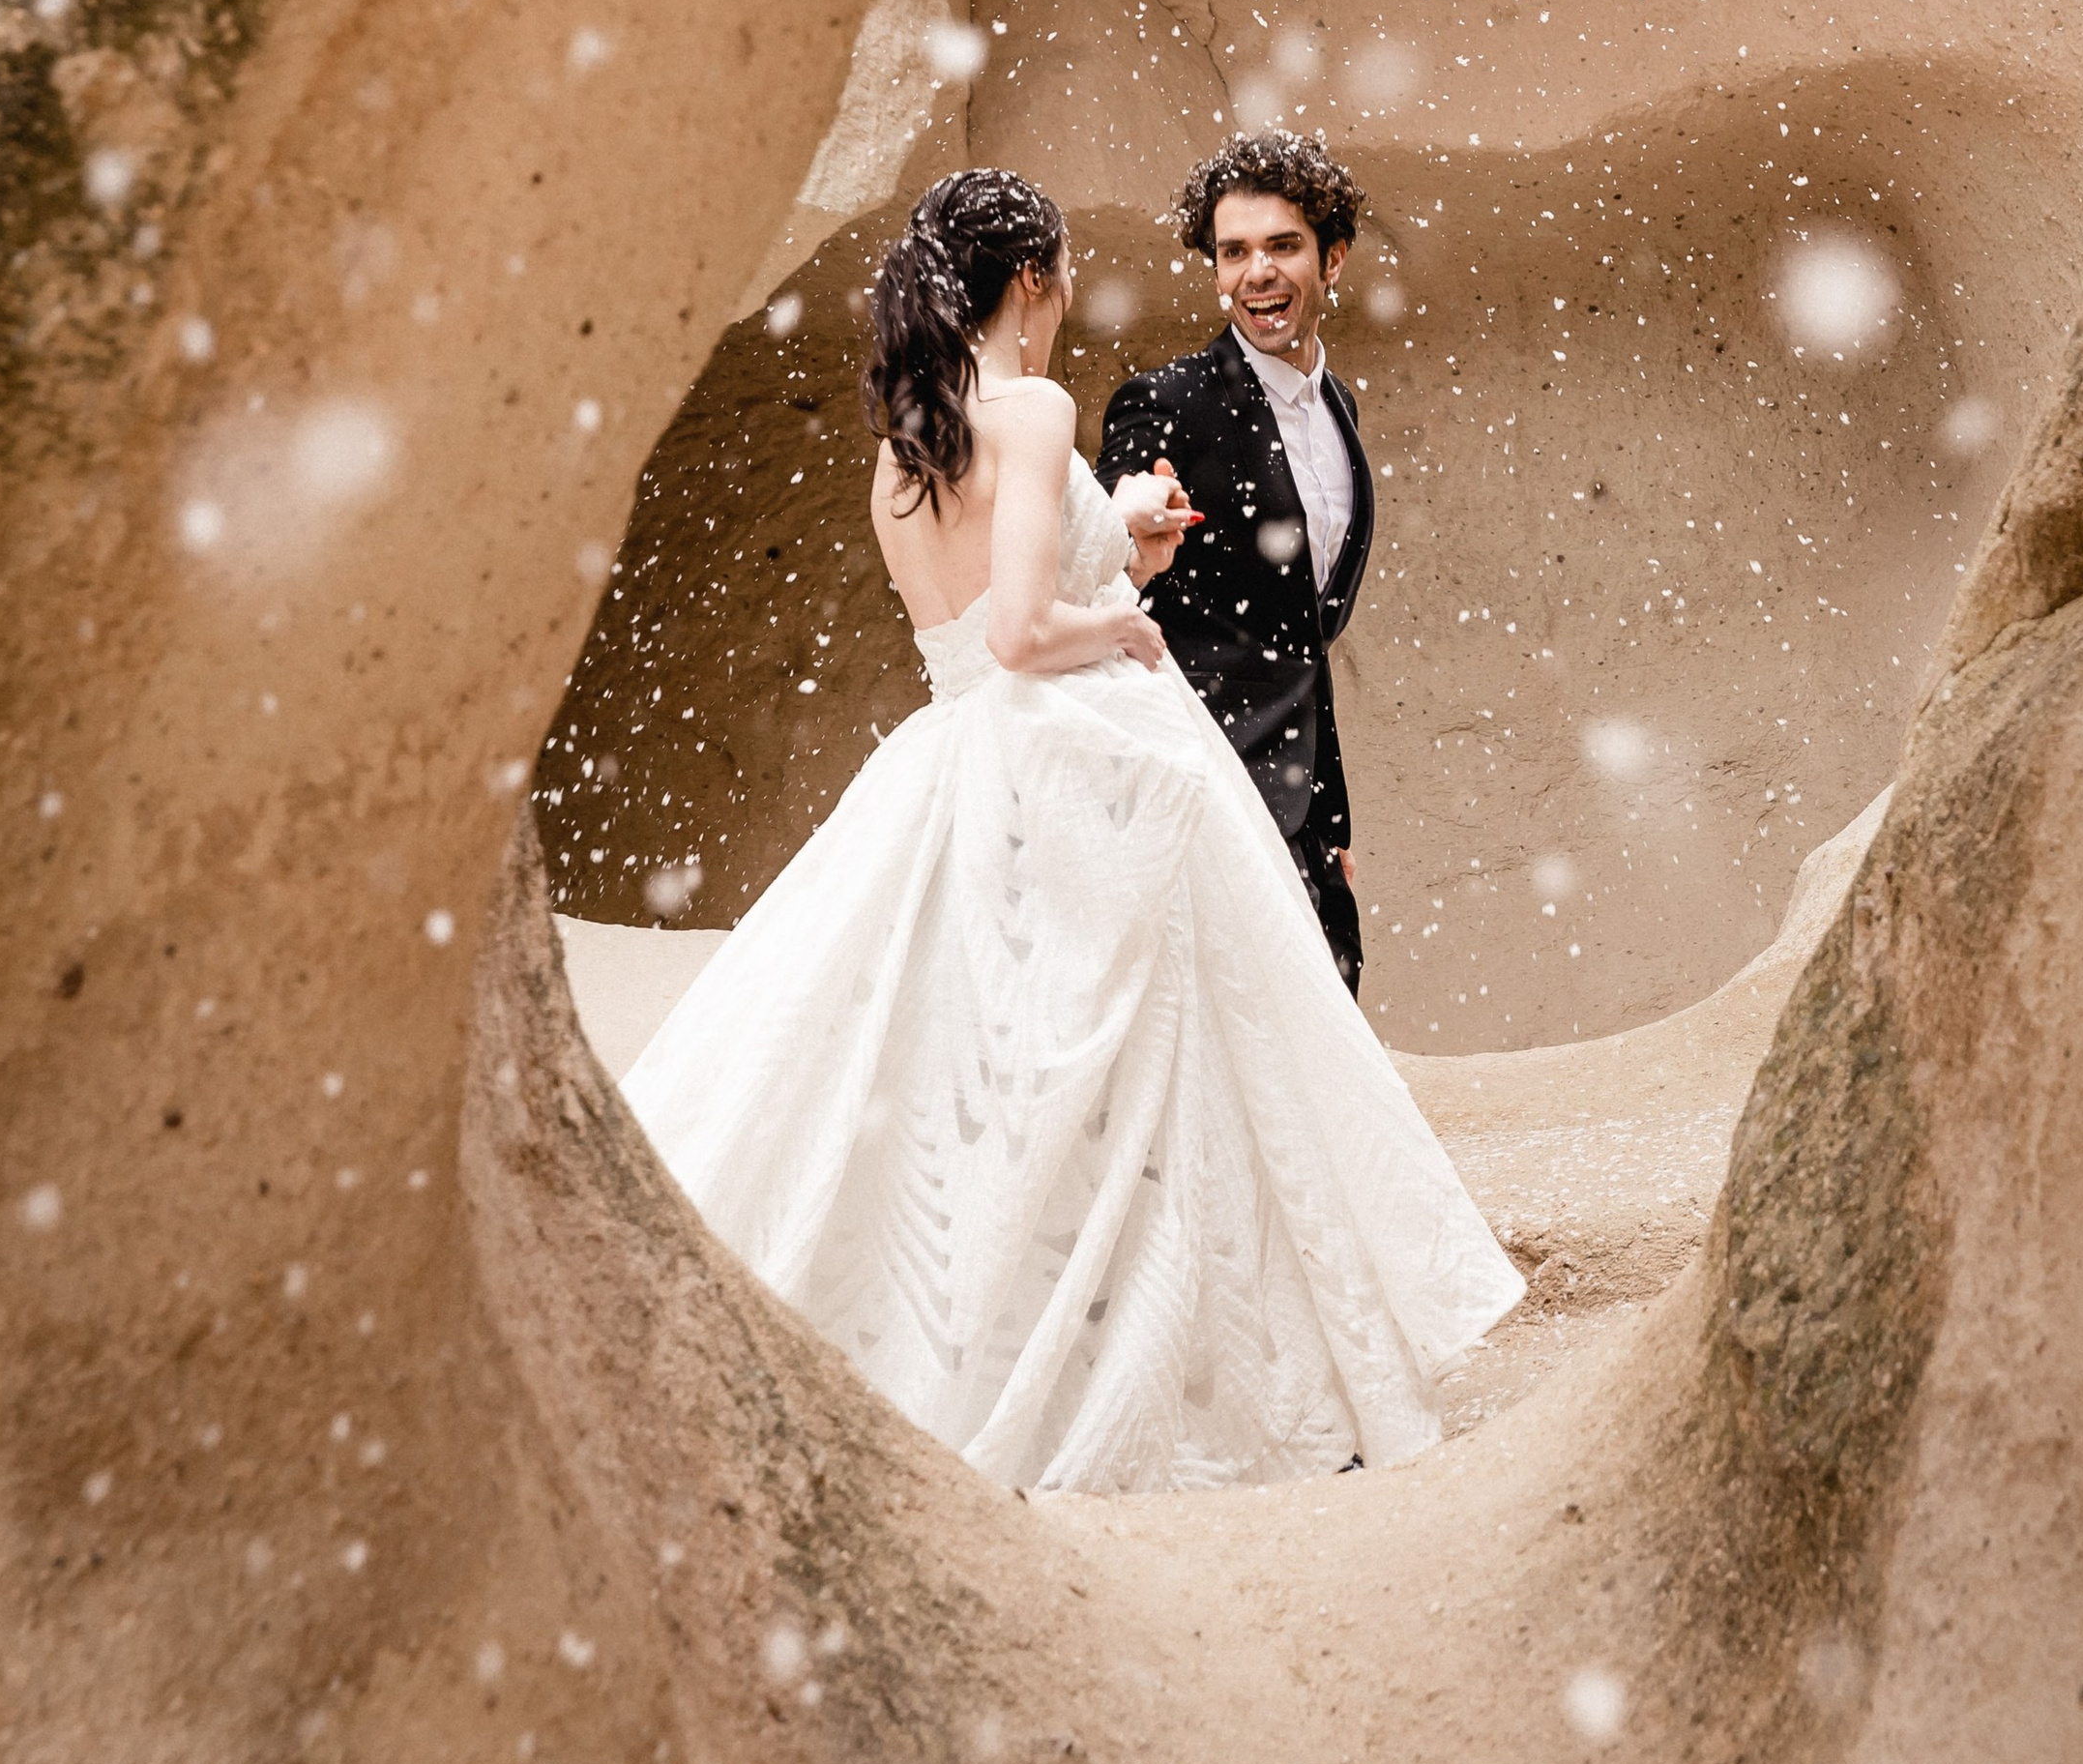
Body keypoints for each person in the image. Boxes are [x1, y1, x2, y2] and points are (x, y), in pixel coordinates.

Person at [619, 166, 1518, 1496]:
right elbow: (1023, 630)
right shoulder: (1032, 406)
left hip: (957, 759)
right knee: (1159, 1068)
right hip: (1065, 757)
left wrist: (1131, 538)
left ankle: (946, 1339)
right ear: (1032, 280)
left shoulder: (909, 437)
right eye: (1063, 277)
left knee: (965, 1076)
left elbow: (973, 603)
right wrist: (1125, 624)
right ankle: (1166, 1370)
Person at [1097, 132, 1372, 993]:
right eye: (1234, 251)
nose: (1257, 271)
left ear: (1333, 258)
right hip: (1193, 784)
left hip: (1298, 793)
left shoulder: (1341, 408)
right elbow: (1099, 571)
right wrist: (1132, 529)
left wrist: (1324, 816)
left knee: (1328, 1003)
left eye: (1282, 246)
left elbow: (1301, 636)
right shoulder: (1165, 403)